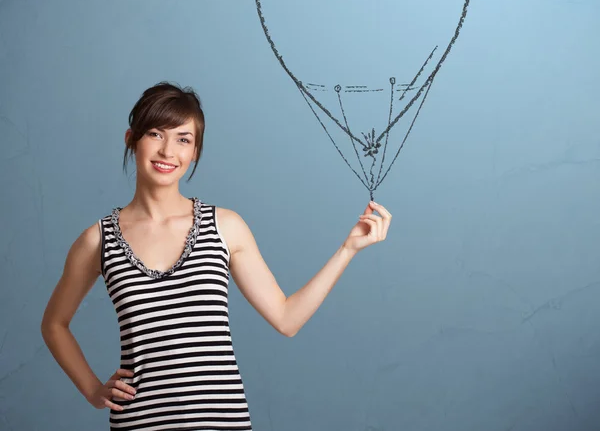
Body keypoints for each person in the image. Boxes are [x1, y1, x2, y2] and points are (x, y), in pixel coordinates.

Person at [40, 81, 393, 430]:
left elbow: (287, 319)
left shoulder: (225, 226)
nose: (168, 151)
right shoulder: (98, 239)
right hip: (138, 423)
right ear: (131, 139)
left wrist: (347, 250)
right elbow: (54, 324)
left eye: (184, 139)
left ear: (195, 151)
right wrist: (91, 390)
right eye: (155, 134)